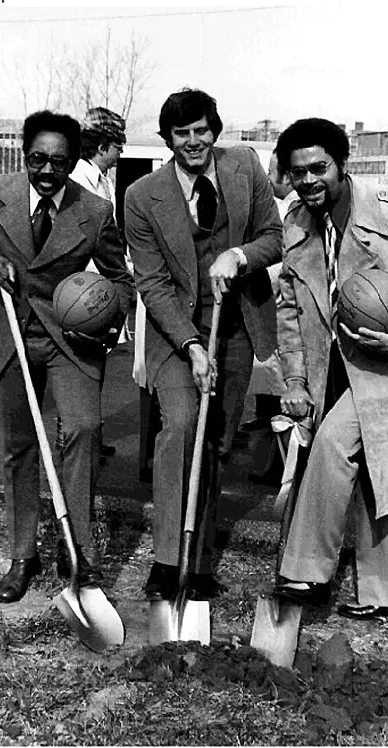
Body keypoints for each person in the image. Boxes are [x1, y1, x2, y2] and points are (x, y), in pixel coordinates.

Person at [272, 118, 388, 621]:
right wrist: (292, 378)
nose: (309, 181)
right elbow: (290, 312)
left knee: (335, 447)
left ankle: (306, 572)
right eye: (297, 173)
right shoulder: (295, 224)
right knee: (379, 469)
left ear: (342, 164)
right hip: (330, 364)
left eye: (319, 168)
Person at [0, 110, 134, 604]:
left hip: (67, 337)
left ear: (74, 161)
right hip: (8, 328)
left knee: (82, 428)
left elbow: (120, 279)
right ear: (24, 155)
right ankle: (22, 553)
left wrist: (105, 319)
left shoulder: (94, 211)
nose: (47, 171)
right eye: (37, 159)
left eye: (58, 161)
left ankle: (76, 548)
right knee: (19, 445)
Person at [124, 88, 282, 601]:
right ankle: (168, 561)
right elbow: (151, 282)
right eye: (181, 134)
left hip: (235, 326)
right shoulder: (142, 195)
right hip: (176, 333)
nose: (193, 142)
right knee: (182, 427)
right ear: (167, 139)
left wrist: (238, 255)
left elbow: (273, 237)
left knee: (215, 441)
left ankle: (199, 556)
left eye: (201, 130)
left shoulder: (245, 167)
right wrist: (192, 346)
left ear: (215, 129)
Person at [67, 105, 128, 458]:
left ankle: (89, 434)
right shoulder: (78, 182)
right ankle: (74, 436)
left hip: (100, 282)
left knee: (95, 363)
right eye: (118, 145)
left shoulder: (102, 181)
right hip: (83, 285)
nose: (121, 152)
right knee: (79, 366)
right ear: (103, 145)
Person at [242, 149, 296, 435]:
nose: (266, 177)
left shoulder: (288, 211)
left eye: (270, 171)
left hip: (282, 305)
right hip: (277, 303)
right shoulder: (279, 206)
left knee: (281, 380)